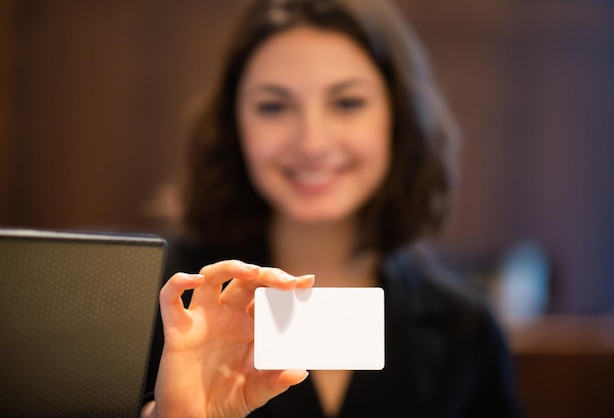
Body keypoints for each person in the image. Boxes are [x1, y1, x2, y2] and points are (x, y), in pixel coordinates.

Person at [141, 0, 523, 417]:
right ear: (234, 126)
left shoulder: (464, 326)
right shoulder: (158, 303)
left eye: (347, 103)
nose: (312, 143)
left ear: (397, 119)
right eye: (274, 106)